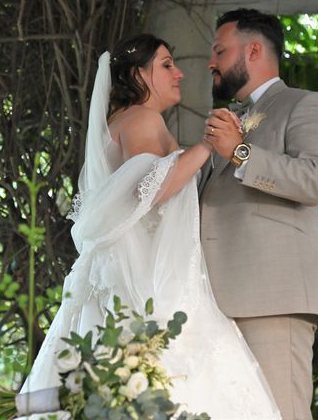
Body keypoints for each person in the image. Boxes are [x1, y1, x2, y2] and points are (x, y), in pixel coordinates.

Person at [16, 34, 281, 419]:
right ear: (139, 74)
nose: (179, 74)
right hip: (140, 277)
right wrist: (210, 146)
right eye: (166, 65)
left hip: (132, 267)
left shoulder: (126, 120)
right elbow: (148, 188)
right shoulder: (141, 117)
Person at [200, 8, 318, 419]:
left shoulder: (306, 104)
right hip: (214, 302)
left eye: (219, 50)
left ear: (252, 49)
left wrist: (239, 152)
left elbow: (317, 180)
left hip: (273, 299)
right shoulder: (230, 119)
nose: (210, 62)